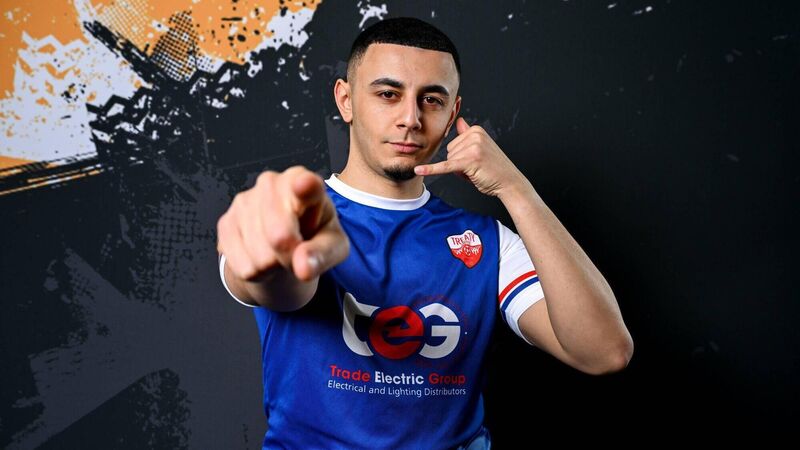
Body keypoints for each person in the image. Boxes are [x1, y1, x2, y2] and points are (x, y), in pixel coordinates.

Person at [216, 17, 633, 449]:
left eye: (431, 100)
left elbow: (604, 352)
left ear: (453, 114)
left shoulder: (487, 243)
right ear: (346, 100)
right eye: (388, 94)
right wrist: (277, 257)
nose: (410, 119)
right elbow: (277, 281)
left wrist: (516, 190)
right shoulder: (294, 216)